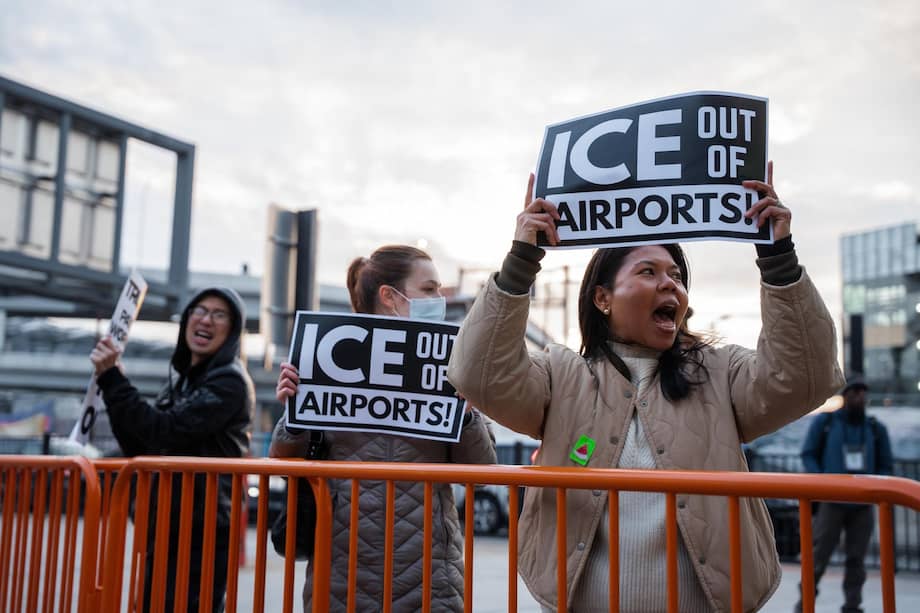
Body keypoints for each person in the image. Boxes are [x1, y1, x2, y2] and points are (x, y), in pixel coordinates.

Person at [447, 164, 844, 612]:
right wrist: (521, 261)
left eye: (675, 274)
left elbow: (804, 380)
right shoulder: (561, 376)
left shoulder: (720, 372)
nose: (669, 283)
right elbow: (478, 375)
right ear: (602, 298)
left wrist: (778, 257)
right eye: (649, 271)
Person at [269, 244, 496, 612]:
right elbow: (283, 459)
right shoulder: (327, 357)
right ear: (391, 297)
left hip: (430, 575)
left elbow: (484, 469)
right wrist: (293, 411)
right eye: (429, 289)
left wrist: (466, 413)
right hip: (342, 571)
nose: (439, 298)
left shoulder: (450, 365)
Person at [90, 287, 254, 613]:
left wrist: (113, 380)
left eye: (219, 314)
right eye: (200, 311)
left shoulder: (229, 381)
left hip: (202, 528)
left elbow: (164, 432)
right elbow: (142, 444)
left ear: (232, 331)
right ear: (186, 321)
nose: (206, 319)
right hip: (170, 519)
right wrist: (114, 381)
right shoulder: (182, 381)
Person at [796, 376, 894, 613]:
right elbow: (808, 454)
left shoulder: (874, 428)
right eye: (855, 392)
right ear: (845, 395)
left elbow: (885, 464)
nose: (860, 397)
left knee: (856, 560)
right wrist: (822, 481)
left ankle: (852, 605)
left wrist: (876, 486)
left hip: (863, 503)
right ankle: (805, 604)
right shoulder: (826, 422)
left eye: (863, 393)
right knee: (817, 557)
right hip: (832, 501)